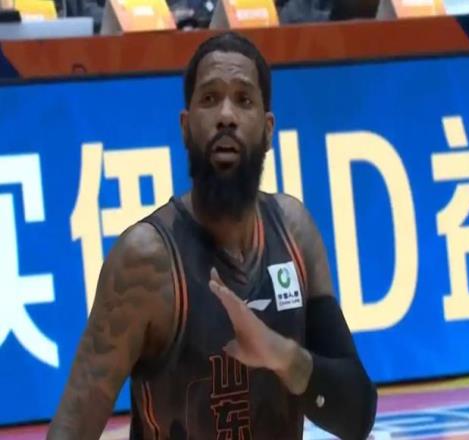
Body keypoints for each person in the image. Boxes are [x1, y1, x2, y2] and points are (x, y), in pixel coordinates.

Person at [48, 31, 377, 440]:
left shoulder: (295, 233)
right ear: (186, 127)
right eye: (209, 98)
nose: (226, 115)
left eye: (243, 99)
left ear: (268, 129)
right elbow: (71, 428)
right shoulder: (146, 261)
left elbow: (357, 415)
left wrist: (282, 355)